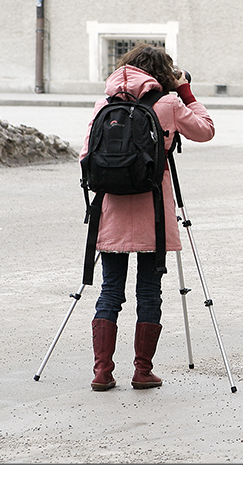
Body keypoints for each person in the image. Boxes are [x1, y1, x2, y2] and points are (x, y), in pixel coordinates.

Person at [80, 44, 215, 391]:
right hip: (152, 213)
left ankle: (102, 373)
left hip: (111, 212)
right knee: (149, 291)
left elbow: (85, 156)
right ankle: (142, 371)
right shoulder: (167, 105)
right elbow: (205, 130)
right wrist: (184, 89)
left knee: (110, 291)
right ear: (161, 74)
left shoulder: (104, 106)